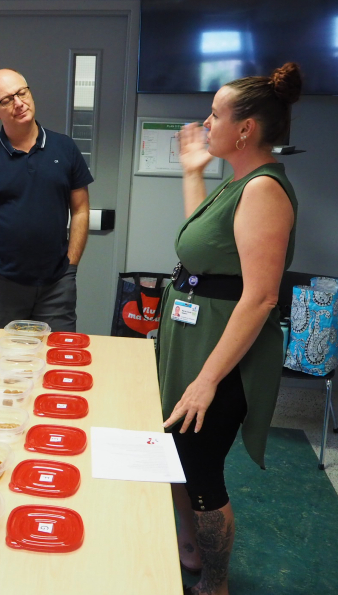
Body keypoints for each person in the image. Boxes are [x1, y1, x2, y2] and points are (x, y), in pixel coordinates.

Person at [157, 63, 302, 595]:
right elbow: (204, 247)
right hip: (196, 340)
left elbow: (261, 296)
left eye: (215, 115)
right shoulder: (237, 183)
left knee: (199, 465)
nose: (206, 123)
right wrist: (192, 171)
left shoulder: (263, 189)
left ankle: (215, 583)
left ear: (246, 129)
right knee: (176, 452)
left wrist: (206, 381)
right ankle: (193, 550)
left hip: (223, 357)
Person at [0, 68, 92, 361]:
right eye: (6, 99)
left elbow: (80, 209)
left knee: (57, 360)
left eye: (22, 92)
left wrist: (71, 264)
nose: (18, 103)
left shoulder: (64, 148)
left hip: (56, 283)